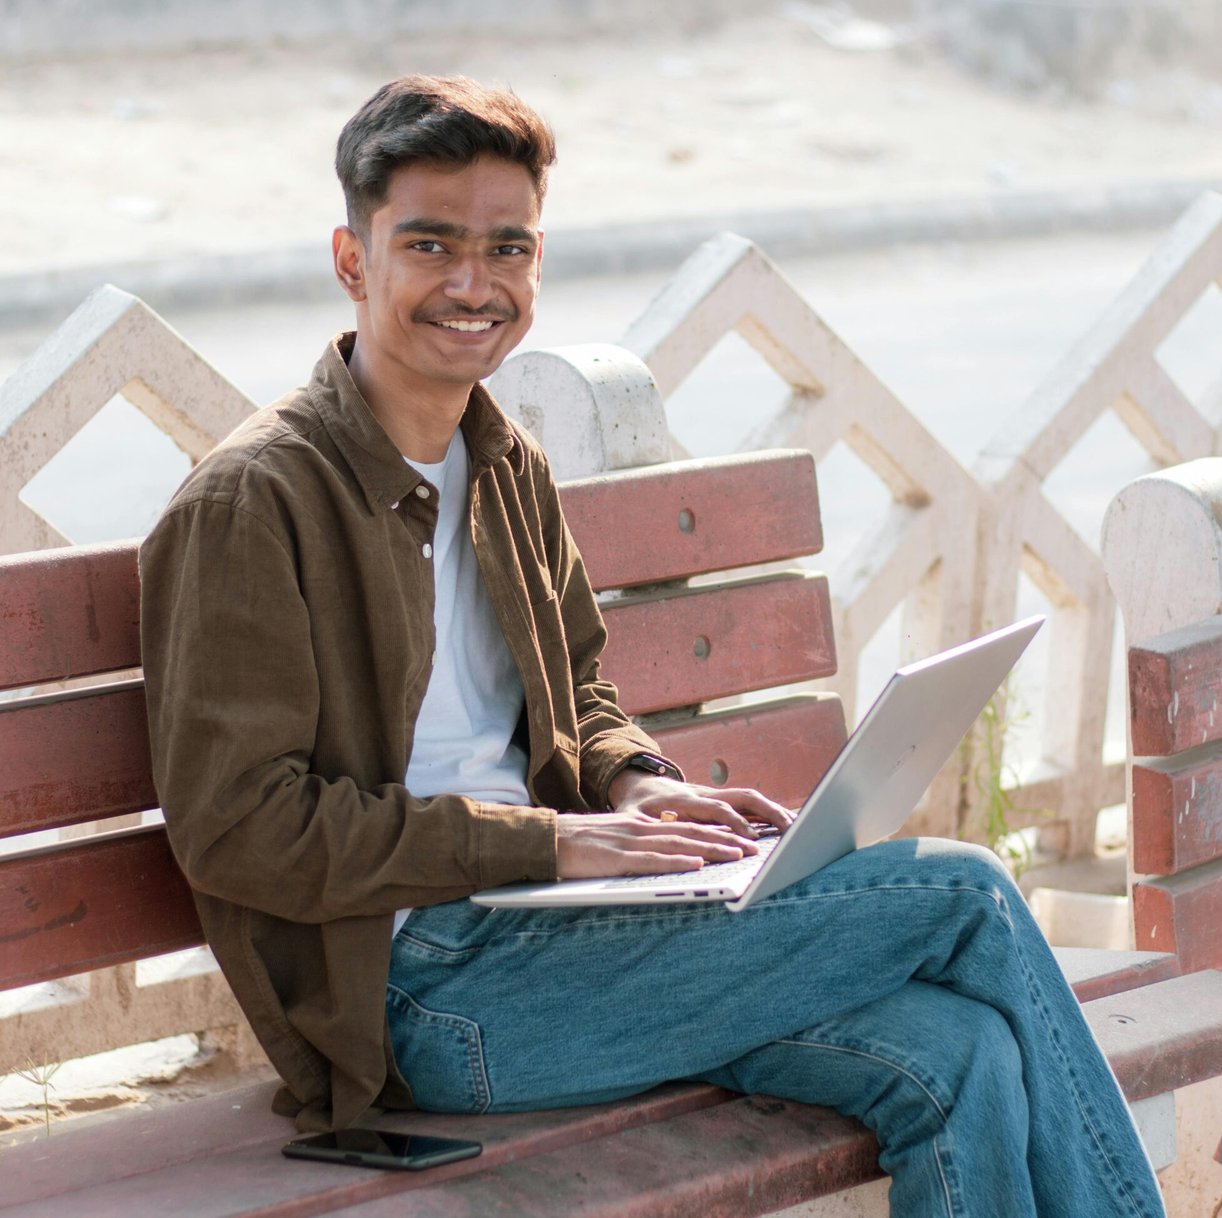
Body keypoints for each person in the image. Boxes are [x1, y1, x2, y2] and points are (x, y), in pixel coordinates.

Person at [139, 74, 1165, 1217]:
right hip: (426, 998)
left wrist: (632, 786)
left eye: (508, 249)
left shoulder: (502, 461)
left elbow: (578, 685)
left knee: (953, 1050)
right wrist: (553, 847)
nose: (474, 285)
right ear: (351, 259)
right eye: (430, 245)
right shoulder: (256, 502)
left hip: (570, 941)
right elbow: (239, 830)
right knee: (965, 892)